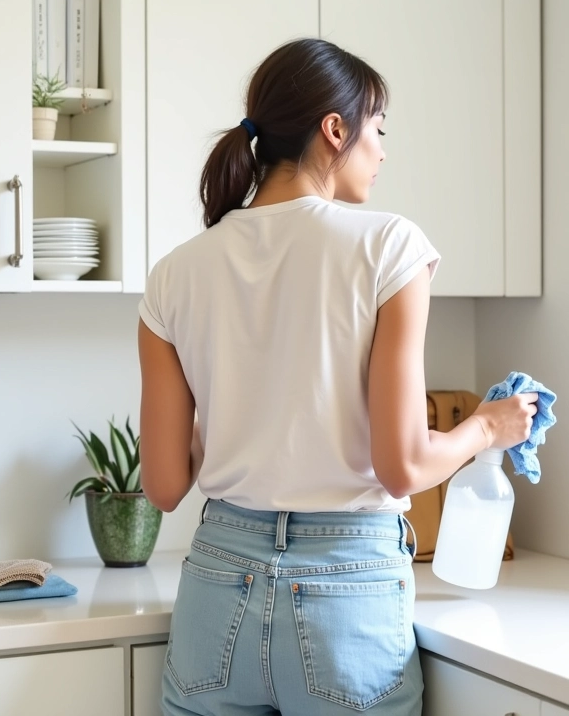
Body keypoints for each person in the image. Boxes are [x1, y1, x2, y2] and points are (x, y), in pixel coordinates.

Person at [137, 37, 537, 716]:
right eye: (377, 130)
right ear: (334, 130)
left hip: (215, 591)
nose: (382, 151)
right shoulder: (389, 246)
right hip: (344, 592)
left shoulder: (175, 273)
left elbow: (166, 485)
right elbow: (403, 464)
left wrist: (238, 395)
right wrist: (486, 426)